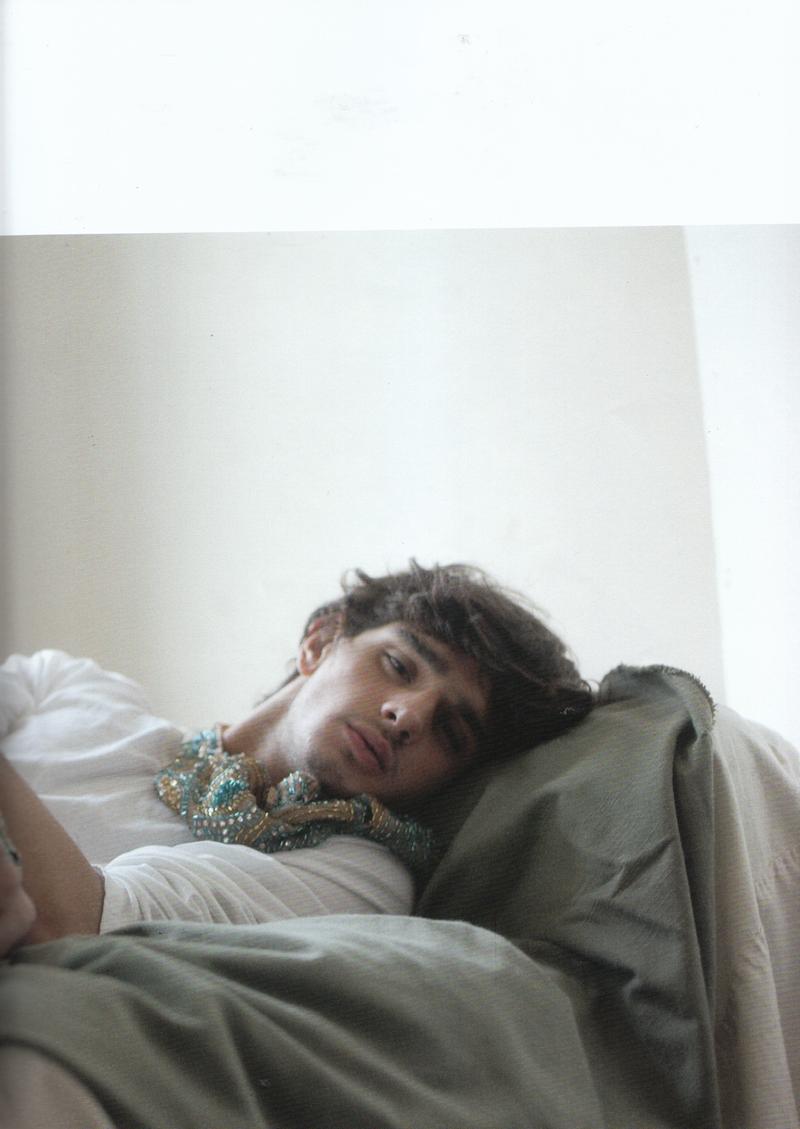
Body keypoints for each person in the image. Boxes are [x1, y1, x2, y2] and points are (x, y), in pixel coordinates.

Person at [0, 561, 593, 957]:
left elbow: (63, 923)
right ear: (320, 641)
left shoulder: (357, 876)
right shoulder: (66, 685)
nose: (409, 715)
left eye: (451, 731)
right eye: (399, 665)